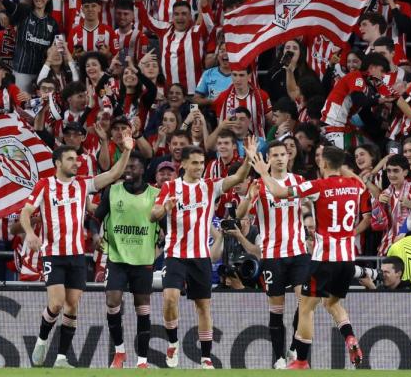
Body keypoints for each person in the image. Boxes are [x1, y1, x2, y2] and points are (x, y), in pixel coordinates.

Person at [22, 131, 135, 368]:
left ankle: (61, 358)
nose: (76, 163)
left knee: (72, 305)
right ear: (58, 163)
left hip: (76, 255)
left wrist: (127, 150)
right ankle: (42, 339)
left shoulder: (83, 185)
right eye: (71, 159)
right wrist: (31, 233)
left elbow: (114, 174)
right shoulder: (45, 185)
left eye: (77, 159)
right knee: (56, 303)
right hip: (53, 253)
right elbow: (25, 212)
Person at [251, 146, 365, 370]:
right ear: (341, 165)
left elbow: (279, 193)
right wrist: (343, 166)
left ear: (323, 164)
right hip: (348, 258)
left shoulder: (317, 186)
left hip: (324, 258)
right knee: (332, 303)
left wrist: (264, 173)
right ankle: (350, 336)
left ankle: (301, 360)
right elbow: (360, 182)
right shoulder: (354, 186)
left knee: (306, 307)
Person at [149, 141, 254, 369]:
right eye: (194, 163)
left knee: (203, 307)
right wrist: (165, 208)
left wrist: (249, 159)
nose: (199, 167)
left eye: (201, 163)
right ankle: (173, 342)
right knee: (169, 298)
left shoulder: (209, 186)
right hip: (175, 254)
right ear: (184, 164)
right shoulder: (169, 188)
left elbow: (237, 179)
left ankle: (206, 358)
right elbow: (152, 215)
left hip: (201, 257)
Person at [236, 139, 310, 369]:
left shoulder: (298, 182)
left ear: (288, 157)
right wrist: (249, 197)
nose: (279, 158)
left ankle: (295, 349)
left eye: (282, 154)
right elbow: (240, 214)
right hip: (272, 255)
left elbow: (308, 208)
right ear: (268, 159)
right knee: (277, 310)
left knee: (306, 302)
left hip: (298, 252)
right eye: (274, 155)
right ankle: (279, 357)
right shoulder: (259, 184)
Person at [93, 153, 158, 369]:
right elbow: (95, 219)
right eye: (125, 167)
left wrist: (161, 246)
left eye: (133, 166)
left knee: (142, 309)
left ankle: (142, 361)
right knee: (112, 301)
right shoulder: (112, 191)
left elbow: (168, 229)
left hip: (143, 261)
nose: (128, 170)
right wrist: (95, 234)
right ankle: (119, 352)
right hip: (117, 258)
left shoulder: (156, 195)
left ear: (143, 169)